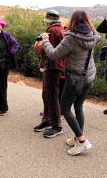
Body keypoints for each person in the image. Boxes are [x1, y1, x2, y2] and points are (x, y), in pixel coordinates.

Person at [38, 10, 101, 155]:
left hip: (75, 77)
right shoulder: (94, 35)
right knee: (78, 106)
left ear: (72, 21)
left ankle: (82, 141)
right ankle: (77, 137)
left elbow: (54, 54)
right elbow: (95, 31)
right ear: (87, 22)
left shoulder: (71, 38)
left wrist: (45, 40)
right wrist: (89, 23)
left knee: (65, 108)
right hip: (88, 75)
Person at [33, 10, 65, 138]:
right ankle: (47, 121)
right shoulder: (60, 30)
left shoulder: (52, 31)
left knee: (51, 96)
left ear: (48, 21)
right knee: (47, 95)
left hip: (51, 66)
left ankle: (56, 126)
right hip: (55, 66)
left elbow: (47, 50)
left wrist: (38, 46)